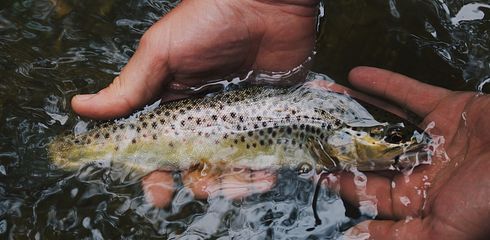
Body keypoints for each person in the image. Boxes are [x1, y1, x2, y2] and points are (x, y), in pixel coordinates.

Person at [70, 1, 490, 239]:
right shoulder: (330, 128)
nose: (406, 144)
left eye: (395, 139)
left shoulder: (328, 127)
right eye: (392, 138)